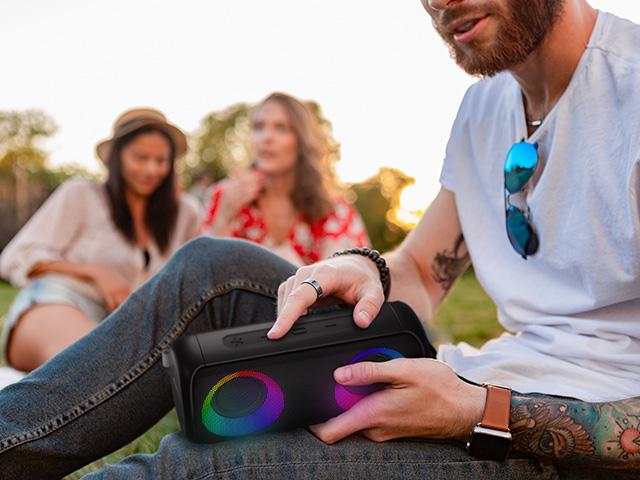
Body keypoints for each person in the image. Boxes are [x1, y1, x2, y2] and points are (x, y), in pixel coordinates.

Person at [0, 0, 639, 478]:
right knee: (211, 267)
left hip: (556, 436)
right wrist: (364, 268)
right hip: (474, 379)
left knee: (218, 464)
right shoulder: (485, 106)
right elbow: (421, 271)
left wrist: (479, 410)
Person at [0, 108, 199, 372]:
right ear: (117, 158)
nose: (152, 169)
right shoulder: (81, 194)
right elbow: (15, 257)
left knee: (127, 382)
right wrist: (96, 273)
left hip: (126, 332)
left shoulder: (184, 213)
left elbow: (203, 273)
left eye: (161, 160)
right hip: (61, 300)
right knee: (92, 370)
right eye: (140, 157)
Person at [200, 92, 370, 266]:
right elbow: (204, 271)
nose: (266, 137)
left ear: (302, 141)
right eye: (258, 127)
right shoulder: (223, 196)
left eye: (281, 128)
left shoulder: (335, 210)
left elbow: (355, 272)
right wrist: (223, 219)